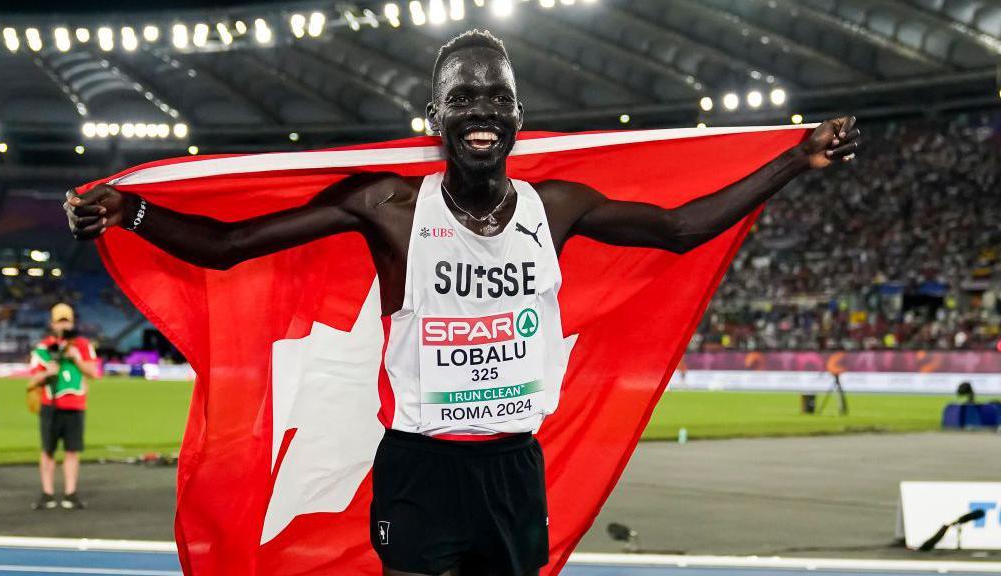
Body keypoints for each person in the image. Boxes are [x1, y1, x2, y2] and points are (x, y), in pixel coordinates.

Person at [65, 30, 859, 576]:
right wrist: (132, 212)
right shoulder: (390, 209)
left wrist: (793, 160)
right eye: (462, 97)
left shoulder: (557, 208)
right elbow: (230, 246)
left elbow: (681, 230)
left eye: (495, 98)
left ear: (517, 118)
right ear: (435, 118)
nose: (480, 110)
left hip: (514, 466)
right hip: (423, 465)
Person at [28, 303, 98, 510]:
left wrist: (76, 358)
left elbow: (94, 373)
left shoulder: (83, 346)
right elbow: (31, 381)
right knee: (47, 450)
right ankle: (47, 494)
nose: (64, 325)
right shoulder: (43, 348)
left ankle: (70, 493)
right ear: (52, 324)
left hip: (75, 404)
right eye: (60, 321)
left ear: (73, 322)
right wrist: (46, 373)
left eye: (67, 320)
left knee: (72, 451)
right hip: (50, 404)